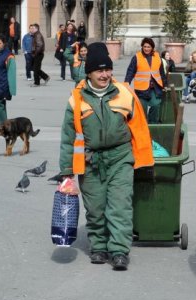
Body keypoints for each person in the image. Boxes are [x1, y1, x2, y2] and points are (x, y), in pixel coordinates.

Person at [58, 42, 154, 270]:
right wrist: (66, 172)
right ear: (89, 73)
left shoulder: (125, 93)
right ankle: (99, 246)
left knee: (120, 205)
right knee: (96, 207)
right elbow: (67, 137)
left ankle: (119, 250)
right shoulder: (76, 99)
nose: (104, 74)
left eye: (107, 69)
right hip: (90, 161)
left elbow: (140, 129)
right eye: (99, 70)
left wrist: (145, 161)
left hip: (121, 157)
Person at [124, 37, 167, 123]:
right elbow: (131, 70)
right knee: (142, 108)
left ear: (152, 48)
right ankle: (143, 124)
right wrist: (127, 82)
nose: (146, 48)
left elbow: (161, 72)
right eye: (145, 46)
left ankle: (152, 124)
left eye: (148, 47)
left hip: (155, 88)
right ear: (142, 47)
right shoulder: (137, 57)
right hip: (141, 89)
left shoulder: (157, 57)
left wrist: (165, 85)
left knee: (156, 105)